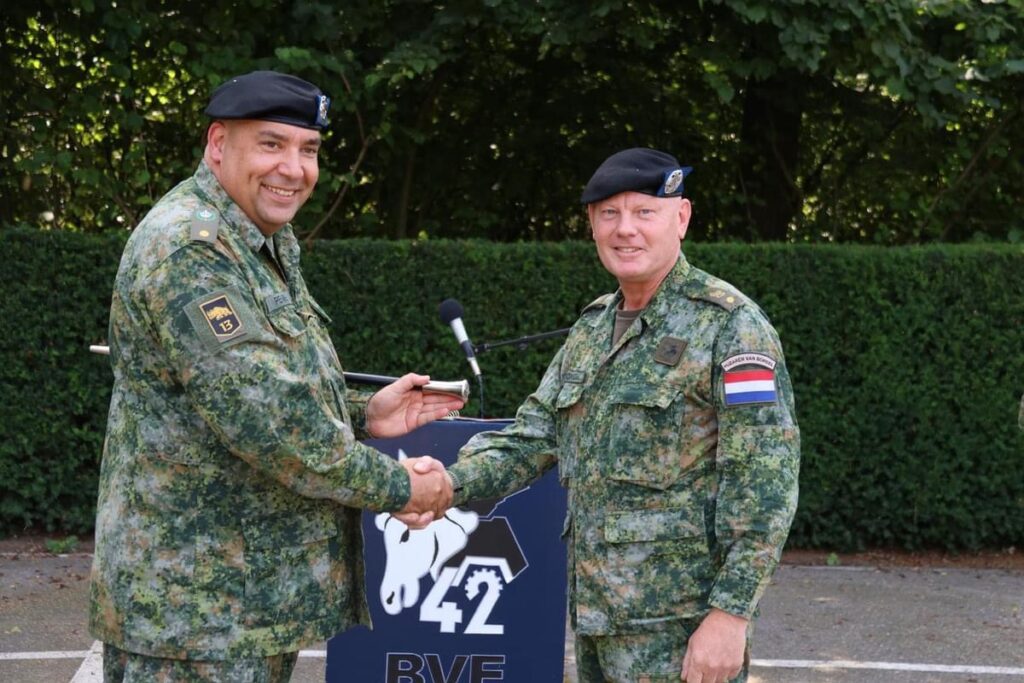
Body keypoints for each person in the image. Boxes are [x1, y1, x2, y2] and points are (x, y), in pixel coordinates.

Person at [89, 70, 460, 682]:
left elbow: (269, 381)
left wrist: (360, 412)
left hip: (238, 604)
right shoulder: (191, 249)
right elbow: (271, 425)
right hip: (192, 614)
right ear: (218, 144)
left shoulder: (259, 239)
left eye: (308, 149)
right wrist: (400, 487)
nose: (293, 168)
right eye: (271, 144)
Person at [439, 148, 800, 683]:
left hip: (679, 631)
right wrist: (443, 485)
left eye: (644, 212)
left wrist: (731, 615)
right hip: (597, 622)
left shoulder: (731, 327)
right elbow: (532, 436)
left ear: (681, 218)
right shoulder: (592, 328)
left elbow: (765, 484)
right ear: (591, 224)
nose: (625, 229)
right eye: (609, 213)